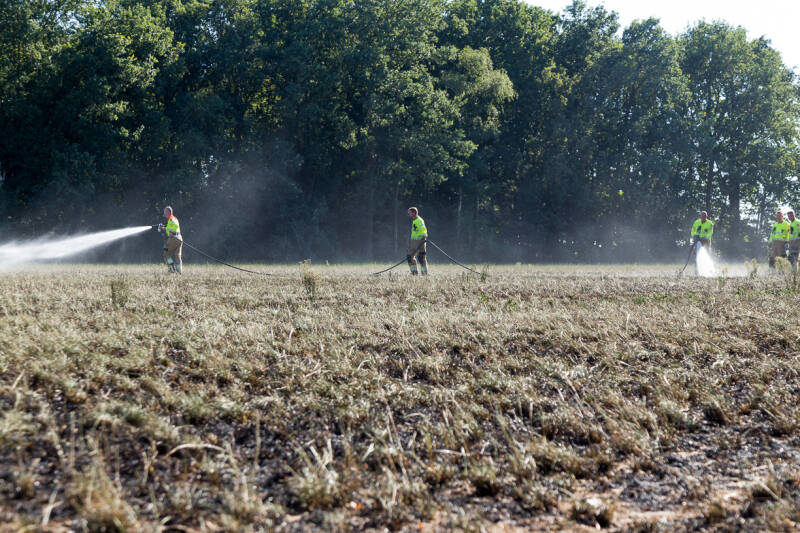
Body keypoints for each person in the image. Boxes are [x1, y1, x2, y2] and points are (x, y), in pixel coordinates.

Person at [158, 206, 183, 273]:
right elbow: (169, 227)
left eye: (165, 212)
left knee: (166, 253)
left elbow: (175, 226)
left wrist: (171, 232)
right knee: (177, 255)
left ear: (168, 212)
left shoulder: (171, 219)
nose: (164, 213)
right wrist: (164, 228)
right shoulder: (173, 219)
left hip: (173, 239)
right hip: (179, 239)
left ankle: (171, 269)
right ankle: (179, 271)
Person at [407, 207, 428, 275]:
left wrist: (423, 238)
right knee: (409, 257)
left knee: (421, 258)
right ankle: (414, 273)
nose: (409, 214)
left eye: (410, 212)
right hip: (414, 243)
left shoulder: (419, 220)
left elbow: (424, 230)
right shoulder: (414, 220)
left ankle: (424, 274)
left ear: (414, 213)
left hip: (420, 242)